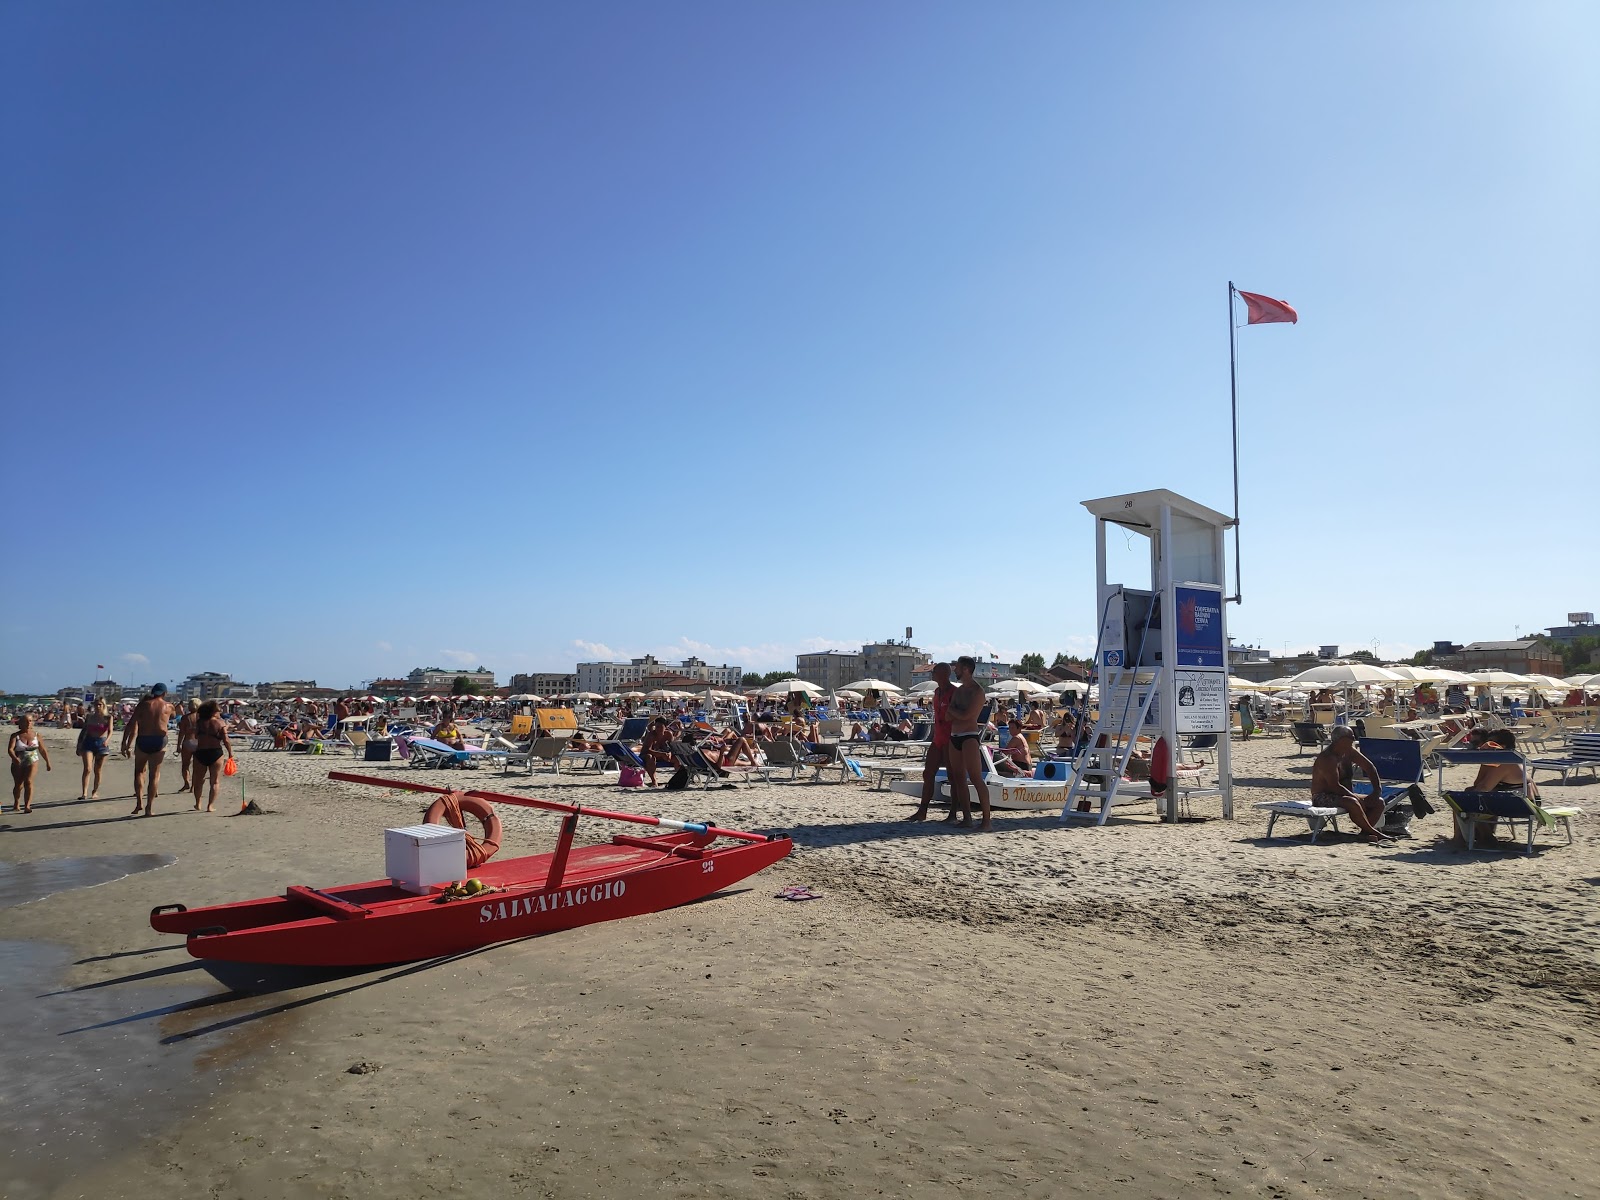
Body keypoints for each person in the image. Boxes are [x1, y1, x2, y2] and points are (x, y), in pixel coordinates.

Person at [1309, 726, 1393, 844]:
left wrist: (1377, 789)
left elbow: (1369, 767)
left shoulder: (1348, 752)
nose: (1354, 739)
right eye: (1351, 737)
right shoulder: (1328, 758)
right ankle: (1375, 832)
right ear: (1340, 739)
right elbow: (1335, 786)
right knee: (1352, 802)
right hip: (1322, 796)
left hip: (1344, 794)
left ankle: (1365, 833)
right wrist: (1355, 798)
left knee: (1378, 802)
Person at [1452, 728, 1531, 848]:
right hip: (1523, 802)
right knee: (1470, 793)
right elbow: (1477, 784)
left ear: (1502, 746)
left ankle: (1468, 838)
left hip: (1521, 806)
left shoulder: (1504, 763)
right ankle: (1477, 835)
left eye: (1491, 743)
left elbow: (1483, 788)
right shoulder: (1511, 759)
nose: (1486, 746)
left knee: (1463, 800)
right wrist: (1485, 762)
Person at [945, 656, 991, 831]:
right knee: (958, 778)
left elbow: (967, 716)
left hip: (969, 736)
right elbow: (949, 715)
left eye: (957, 667)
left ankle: (986, 821)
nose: (954, 670)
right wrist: (956, 712)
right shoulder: (959, 690)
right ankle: (967, 818)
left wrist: (954, 712)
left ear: (965, 669)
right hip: (955, 735)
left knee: (976, 777)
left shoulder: (977, 691)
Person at [907, 662, 955, 822]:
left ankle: (953, 813)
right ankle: (922, 811)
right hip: (938, 738)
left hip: (950, 738)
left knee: (952, 776)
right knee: (928, 773)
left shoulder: (954, 692)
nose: (932, 674)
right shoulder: (937, 692)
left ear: (943, 674)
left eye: (934, 672)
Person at [120, 683, 175, 816]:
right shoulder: (169, 706)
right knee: (154, 775)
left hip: (143, 739)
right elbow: (173, 717)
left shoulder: (143, 705)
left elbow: (131, 724)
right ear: (165, 693)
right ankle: (149, 807)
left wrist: (125, 743)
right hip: (159, 741)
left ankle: (139, 803)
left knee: (139, 772)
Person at [189, 700, 234, 813]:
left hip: (201, 752)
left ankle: (198, 802)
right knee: (215, 781)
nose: (220, 711)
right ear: (213, 711)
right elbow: (226, 740)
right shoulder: (220, 723)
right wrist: (230, 754)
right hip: (215, 753)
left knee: (198, 780)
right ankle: (210, 805)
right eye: (218, 710)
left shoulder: (199, 723)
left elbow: (195, 736)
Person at [9, 714, 51, 812]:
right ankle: (16, 802)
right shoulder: (15, 736)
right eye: (26, 721)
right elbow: (10, 749)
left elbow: (42, 749)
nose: (28, 723)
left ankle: (27, 805)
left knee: (28, 781)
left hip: (33, 760)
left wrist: (48, 762)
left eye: (30, 721)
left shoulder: (37, 735)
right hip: (18, 761)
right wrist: (14, 758)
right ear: (21, 723)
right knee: (18, 784)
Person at [77, 697, 113, 800]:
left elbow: (110, 731)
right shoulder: (89, 717)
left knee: (98, 770)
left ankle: (95, 791)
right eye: (96, 704)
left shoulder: (108, 717)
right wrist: (79, 744)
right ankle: (84, 793)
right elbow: (84, 731)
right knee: (88, 768)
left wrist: (107, 740)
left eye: (100, 705)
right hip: (89, 742)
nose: (97, 707)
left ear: (103, 706)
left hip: (101, 743)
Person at [641, 717, 675, 786]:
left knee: (677, 759)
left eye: (660, 727)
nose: (658, 729)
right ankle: (654, 781)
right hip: (647, 755)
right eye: (656, 727)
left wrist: (669, 754)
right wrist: (661, 754)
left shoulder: (668, 734)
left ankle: (679, 780)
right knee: (650, 757)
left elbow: (673, 748)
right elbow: (647, 750)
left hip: (661, 755)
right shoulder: (651, 735)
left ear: (665, 727)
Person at [177, 698, 201, 790]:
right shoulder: (201, 717)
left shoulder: (185, 718)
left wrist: (178, 745)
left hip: (188, 741)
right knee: (196, 766)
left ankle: (187, 783)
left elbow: (181, 732)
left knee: (185, 765)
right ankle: (193, 786)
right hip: (198, 742)